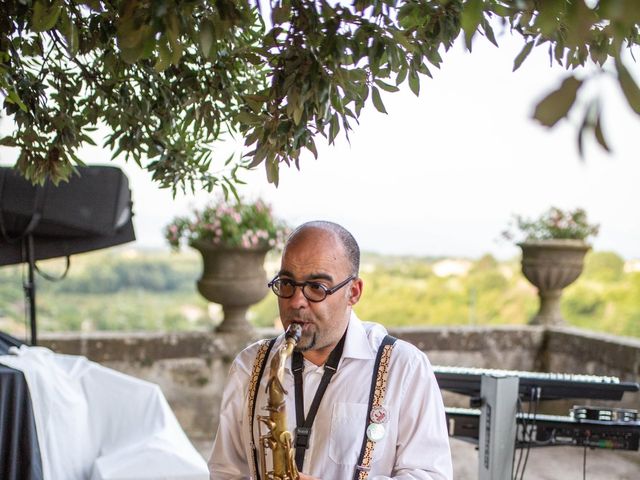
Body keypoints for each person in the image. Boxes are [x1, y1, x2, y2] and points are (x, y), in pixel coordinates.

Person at [209, 221, 452, 480]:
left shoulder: (404, 366)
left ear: (353, 292)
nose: (296, 302)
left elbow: (430, 475)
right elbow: (226, 471)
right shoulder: (250, 365)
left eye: (317, 287)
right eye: (287, 283)